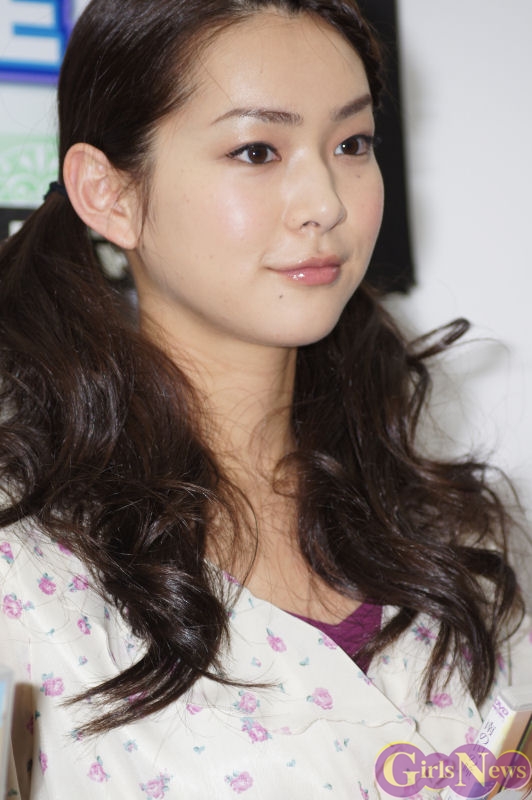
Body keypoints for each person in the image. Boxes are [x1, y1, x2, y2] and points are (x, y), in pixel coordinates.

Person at [0, 0, 530, 797]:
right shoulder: (25, 560)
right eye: (257, 151)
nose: (326, 203)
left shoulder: (452, 532)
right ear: (110, 194)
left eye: (352, 144)